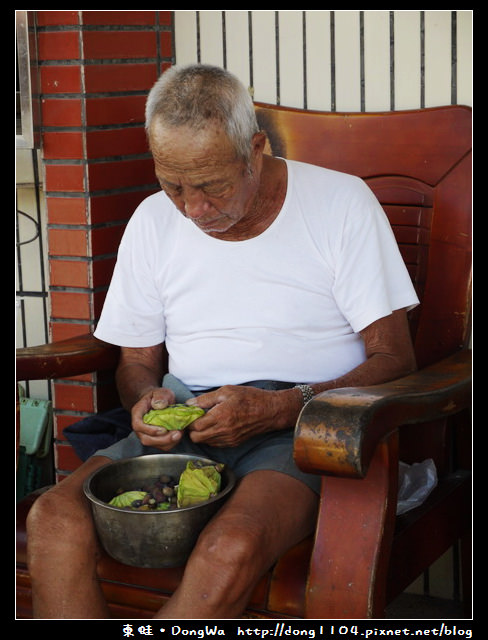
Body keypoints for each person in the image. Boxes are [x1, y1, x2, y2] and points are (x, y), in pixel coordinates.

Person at [26, 63, 418, 619]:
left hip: (310, 424)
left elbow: (394, 356)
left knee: (229, 546)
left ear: (255, 148)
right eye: (173, 184)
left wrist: (283, 406)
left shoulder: (340, 204)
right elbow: (136, 361)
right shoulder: (152, 221)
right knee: (54, 519)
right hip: (188, 416)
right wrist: (144, 400)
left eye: (211, 186)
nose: (191, 208)